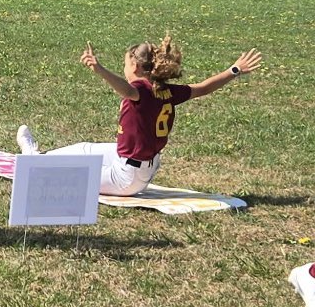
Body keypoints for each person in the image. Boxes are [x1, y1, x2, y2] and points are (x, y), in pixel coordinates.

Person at [16, 37, 262, 196]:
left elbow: (126, 89)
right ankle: (38, 157)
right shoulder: (165, 89)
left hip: (128, 177)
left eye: (125, 63)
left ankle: (34, 164)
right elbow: (204, 87)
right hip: (137, 163)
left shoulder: (143, 89)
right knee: (84, 149)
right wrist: (234, 70)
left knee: (68, 179)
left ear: (134, 66)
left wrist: (99, 69)